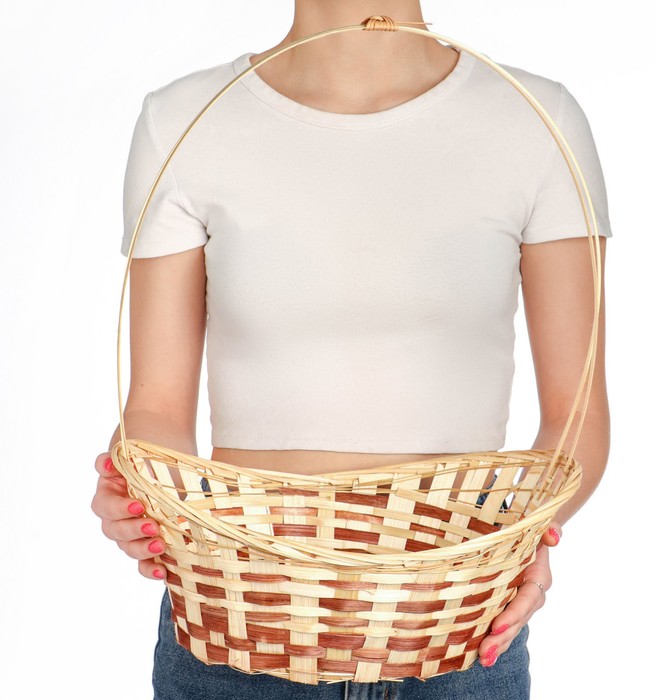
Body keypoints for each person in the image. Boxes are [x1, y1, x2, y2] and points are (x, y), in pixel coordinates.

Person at [91, 1, 612, 698]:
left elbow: (578, 416)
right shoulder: (183, 121)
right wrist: (141, 491)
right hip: (236, 634)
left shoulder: (537, 121)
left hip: (459, 638)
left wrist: (522, 542)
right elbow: (154, 406)